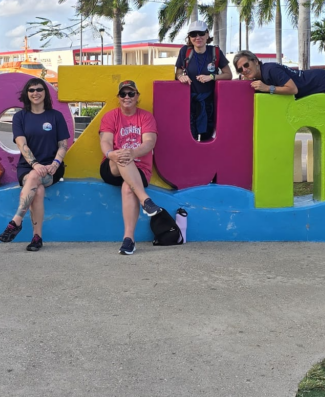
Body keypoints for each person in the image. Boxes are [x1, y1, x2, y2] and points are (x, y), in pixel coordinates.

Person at [0, 78, 71, 251]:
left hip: (54, 167)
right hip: (28, 166)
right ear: (26, 94)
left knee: (35, 178)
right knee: (36, 187)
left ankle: (16, 220)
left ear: (45, 93)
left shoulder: (55, 116)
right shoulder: (20, 117)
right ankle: (37, 237)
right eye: (31, 90)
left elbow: (63, 145)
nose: (35, 93)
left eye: (39, 89)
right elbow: (22, 144)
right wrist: (35, 164)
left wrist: (55, 162)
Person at [99, 80, 162, 255]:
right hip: (112, 166)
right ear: (118, 97)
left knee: (128, 187)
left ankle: (129, 239)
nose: (127, 97)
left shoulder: (146, 117)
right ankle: (145, 201)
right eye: (123, 94)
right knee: (121, 156)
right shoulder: (111, 116)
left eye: (131, 93)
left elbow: (150, 142)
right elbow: (105, 141)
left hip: (139, 169)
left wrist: (133, 153)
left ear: (137, 96)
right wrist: (111, 154)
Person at [174, 22, 233, 140]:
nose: (197, 37)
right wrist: (181, 77)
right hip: (189, 102)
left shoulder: (215, 52)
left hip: (209, 103)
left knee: (207, 137)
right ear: (189, 38)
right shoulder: (185, 51)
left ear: (207, 35)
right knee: (190, 136)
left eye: (201, 33)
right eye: (193, 34)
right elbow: (178, 72)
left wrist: (211, 77)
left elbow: (228, 75)